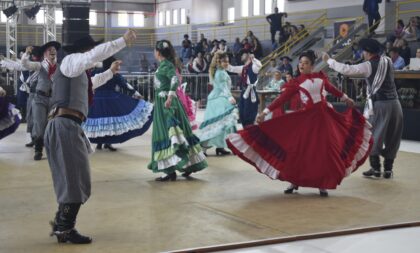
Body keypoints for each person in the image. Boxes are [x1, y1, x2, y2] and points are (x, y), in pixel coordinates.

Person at [227, 50, 372, 197]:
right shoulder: (296, 82)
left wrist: (346, 98)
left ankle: (323, 183)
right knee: (300, 150)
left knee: (324, 151)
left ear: (312, 65)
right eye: (300, 63)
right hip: (306, 119)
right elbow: (281, 99)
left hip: (324, 119)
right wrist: (264, 112)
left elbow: (332, 89)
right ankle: (294, 181)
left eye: (306, 63)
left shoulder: (320, 77)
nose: (302, 65)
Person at [45, 30, 137, 244]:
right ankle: (65, 228)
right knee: (75, 179)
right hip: (64, 125)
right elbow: (93, 56)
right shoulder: (71, 61)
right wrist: (121, 41)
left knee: (74, 178)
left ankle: (62, 223)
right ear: (84, 50)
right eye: (91, 49)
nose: (94, 54)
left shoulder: (77, 70)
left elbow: (91, 84)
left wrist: (110, 73)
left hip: (68, 125)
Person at [323, 38, 403, 179]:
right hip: (396, 104)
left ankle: (376, 168)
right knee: (393, 136)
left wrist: (329, 61)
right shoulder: (388, 61)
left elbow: (347, 70)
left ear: (367, 52)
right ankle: (388, 170)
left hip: (380, 105)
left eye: (363, 51)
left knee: (374, 135)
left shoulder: (368, 65)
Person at [148, 40, 207, 182]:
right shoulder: (163, 65)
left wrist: (170, 96)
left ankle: (172, 170)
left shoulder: (167, 65)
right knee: (176, 134)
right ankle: (176, 168)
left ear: (158, 52)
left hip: (167, 104)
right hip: (164, 102)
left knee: (169, 133)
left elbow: (174, 80)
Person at [82, 56, 153, 151]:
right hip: (111, 100)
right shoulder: (114, 74)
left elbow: (89, 83)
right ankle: (108, 143)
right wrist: (136, 94)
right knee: (110, 124)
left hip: (96, 100)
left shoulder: (95, 72)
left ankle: (99, 143)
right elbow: (125, 85)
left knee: (99, 123)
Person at [21, 41, 61, 161]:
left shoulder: (60, 67)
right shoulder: (39, 65)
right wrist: (27, 53)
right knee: (39, 124)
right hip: (39, 99)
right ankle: (38, 150)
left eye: (54, 49)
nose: (52, 51)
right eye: (49, 50)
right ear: (45, 54)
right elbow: (25, 64)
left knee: (52, 126)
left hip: (54, 100)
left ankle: (52, 149)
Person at [197, 52, 238, 156]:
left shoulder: (221, 71)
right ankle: (203, 149)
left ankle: (220, 147)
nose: (226, 63)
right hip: (219, 99)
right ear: (219, 61)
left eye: (228, 61)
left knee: (222, 123)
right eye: (224, 61)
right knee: (217, 124)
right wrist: (229, 97)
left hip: (219, 98)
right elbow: (222, 87)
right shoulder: (220, 73)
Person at [228, 52, 262, 127]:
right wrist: (224, 63)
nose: (241, 55)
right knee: (242, 112)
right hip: (244, 92)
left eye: (243, 54)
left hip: (251, 92)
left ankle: (249, 128)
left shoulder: (253, 67)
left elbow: (259, 65)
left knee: (249, 113)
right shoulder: (244, 67)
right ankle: (246, 128)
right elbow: (232, 68)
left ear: (248, 56)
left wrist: (254, 59)